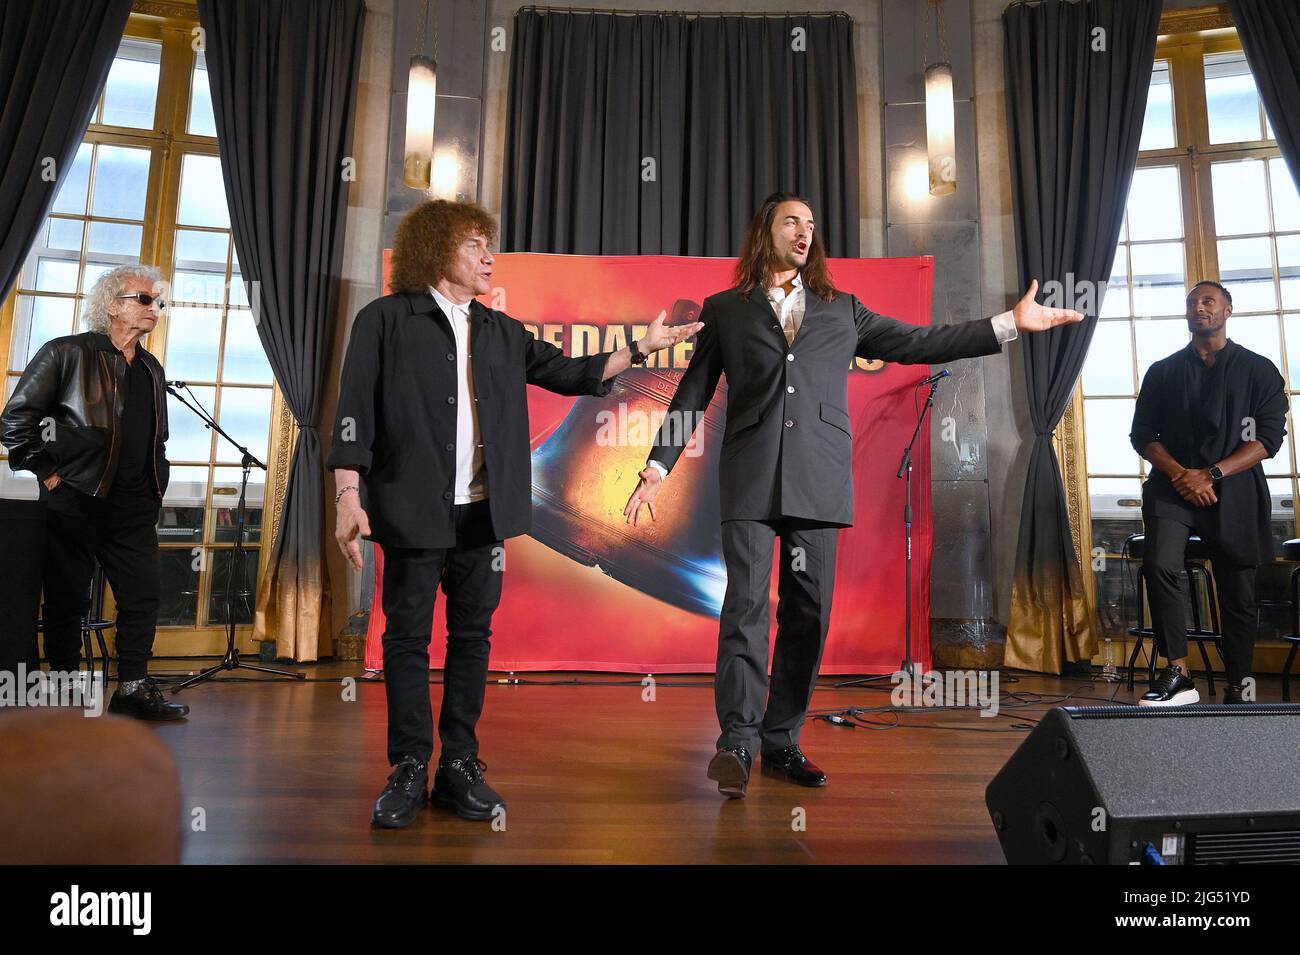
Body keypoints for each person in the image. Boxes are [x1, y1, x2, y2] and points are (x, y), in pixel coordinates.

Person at [623, 192, 1082, 798]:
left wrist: (1007, 326)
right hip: (751, 481)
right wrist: (657, 466)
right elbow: (691, 395)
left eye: (811, 224)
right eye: (793, 221)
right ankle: (736, 739)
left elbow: (920, 343)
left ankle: (780, 739)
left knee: (807, 614)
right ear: (766, 230)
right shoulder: (725, 311)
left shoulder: (843, 310)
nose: (805, 231)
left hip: (818, 482)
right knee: (745, 610)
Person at [328, 199, 701, 829]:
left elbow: (575, 373)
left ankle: (460, 766)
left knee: (472, 640)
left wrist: (642, 348)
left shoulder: (501, 331)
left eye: (488, 245)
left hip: (483, 517)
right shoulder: (384, 320)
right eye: (475, 244)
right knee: (406, 641)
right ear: (437, 248)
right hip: (411, 511)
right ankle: (410, 767)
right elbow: (353, 412)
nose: (487, 256)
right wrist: (346, 496)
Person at [0, 264, 188, 720]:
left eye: (157, 302)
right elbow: (14, 422)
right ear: (111, 305)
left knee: (143, 595)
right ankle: (65, 690)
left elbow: (154, 438)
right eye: (144, 300)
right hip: (75, 497)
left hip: (135, 503)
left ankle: (133, 688)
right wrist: (48, 475)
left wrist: (155, 484)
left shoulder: (149, 366)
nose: (154, 309)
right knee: (68, 597)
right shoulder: (66, 353)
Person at [1130, 280, 1286, 706]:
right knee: (1161, 564)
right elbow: (1142, 435)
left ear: (1227, 311)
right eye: (1192, 302)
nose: (1198, 307)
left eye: (1208, 301)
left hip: (1234, 488)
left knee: (1238, 592)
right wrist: (1183, 475)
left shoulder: (1259, 370)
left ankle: (1239, 685)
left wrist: (1211, 474)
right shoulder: (1163, 371)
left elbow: (1269, 439)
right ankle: (1179, 673)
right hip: (1172, 487)